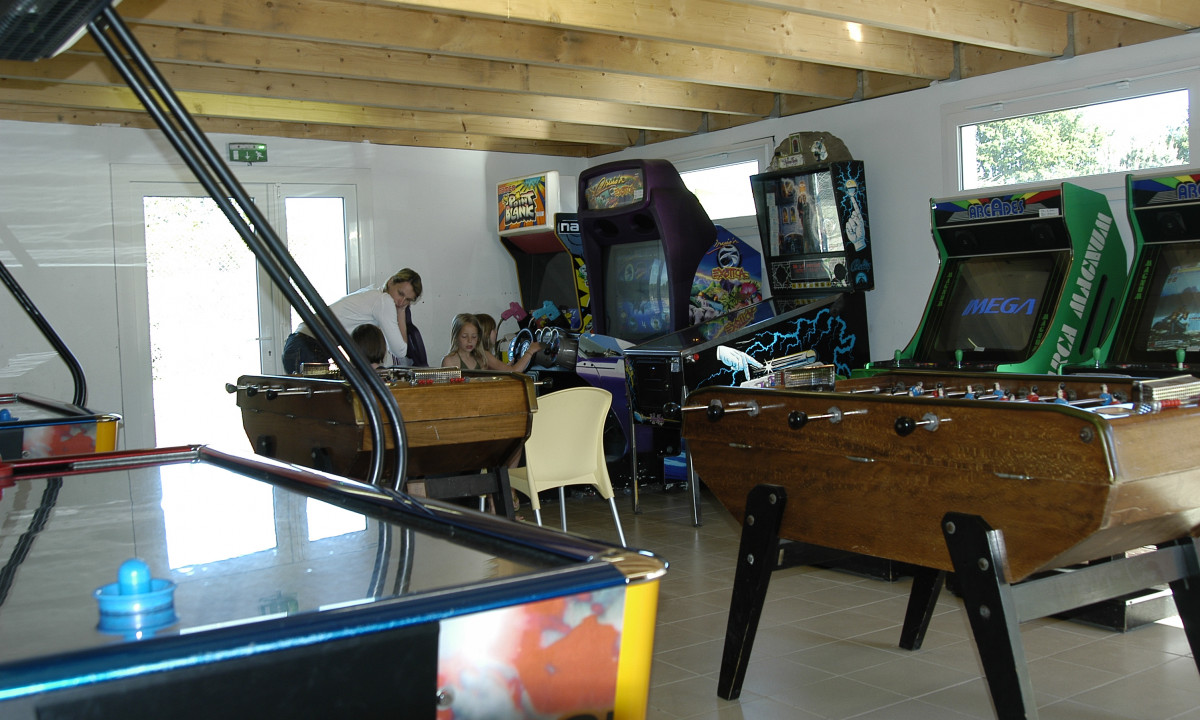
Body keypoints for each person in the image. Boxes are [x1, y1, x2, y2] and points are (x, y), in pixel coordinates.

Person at [282, 268, 428, 373]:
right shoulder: (384, 300)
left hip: (299, 343)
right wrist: (401, 312)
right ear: (390, 282)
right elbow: (400, 350)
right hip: (309, 346)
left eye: (408, 300)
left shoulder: (371, 293)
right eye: (400, 293)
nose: (401, 301)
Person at [442, 313, 541, 372]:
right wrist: (530, 351)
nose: (469, 341)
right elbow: (514, 371)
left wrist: (507, 367)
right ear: (456, 337)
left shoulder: (481, 358)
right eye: (464, 336)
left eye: (474, 336)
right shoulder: (450, 361)